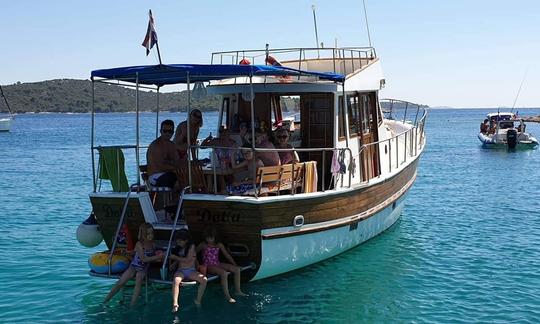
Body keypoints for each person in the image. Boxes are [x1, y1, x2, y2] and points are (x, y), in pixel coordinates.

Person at [104, 223, 163, 307]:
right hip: (134, 265)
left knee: (138, 280)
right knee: (121, 282)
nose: (151, 236)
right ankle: (106, 300)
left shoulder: (153, 244)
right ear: (143, 235)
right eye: (148, 234)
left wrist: (157, 259)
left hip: (144, 267)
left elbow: (147, 258)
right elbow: (143, 259)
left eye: (152, 233)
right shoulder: (139, 244)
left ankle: (132, 305)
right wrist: (156, 257)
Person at [196, 227, 247, 303]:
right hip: (208, 265)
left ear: (215, 237)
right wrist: (197, 265)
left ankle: (238, 291)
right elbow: (193, 253)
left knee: (236, 269)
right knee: (223, 273)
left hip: (217, 263)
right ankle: (228, 296)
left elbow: (227, 255)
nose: (209, 240)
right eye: (207, 238)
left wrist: (235, 264)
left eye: (211, 238)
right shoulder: (203, 245)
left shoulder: (219, 245)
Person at [170, 229, 207, 312]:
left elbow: (187, 259)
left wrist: (175, 258)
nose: (178, 243)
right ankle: (175, 303)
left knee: (204, 280)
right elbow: (181, 257)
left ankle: (198, 300)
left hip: (191, 270)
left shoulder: (191, 246)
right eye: (177, 242)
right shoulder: (180, 247)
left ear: (186, 240)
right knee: (176, 280)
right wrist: (174, 263)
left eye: (180, 241)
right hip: (181, 270)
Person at [147, 119, 179, 187]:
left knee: (188, 176)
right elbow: (160, 165)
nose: (167, 133)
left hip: (168, 173)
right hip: (156, 175)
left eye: (170, 131)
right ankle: (174, 197)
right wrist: (176, 169)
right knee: (177, 178)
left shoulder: (172, 145)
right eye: (165, 131)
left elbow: (177, 161)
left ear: (173, 132)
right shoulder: (156, 145)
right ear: (160, 131)